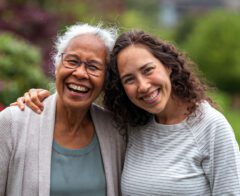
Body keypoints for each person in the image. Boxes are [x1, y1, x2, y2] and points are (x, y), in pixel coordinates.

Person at [13, 30, 240, 195]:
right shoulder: (132, 126)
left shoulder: (210, 127)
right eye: (129, 79)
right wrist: (40, 96)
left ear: (168, 66)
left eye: (148, 70)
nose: (143, 86)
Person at [0, 23, 125, 196]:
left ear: (106, 79)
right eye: (72, 61)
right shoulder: (13, 123)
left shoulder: (117, 132)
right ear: (57, 66)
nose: (80, 73)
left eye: (93, 67)